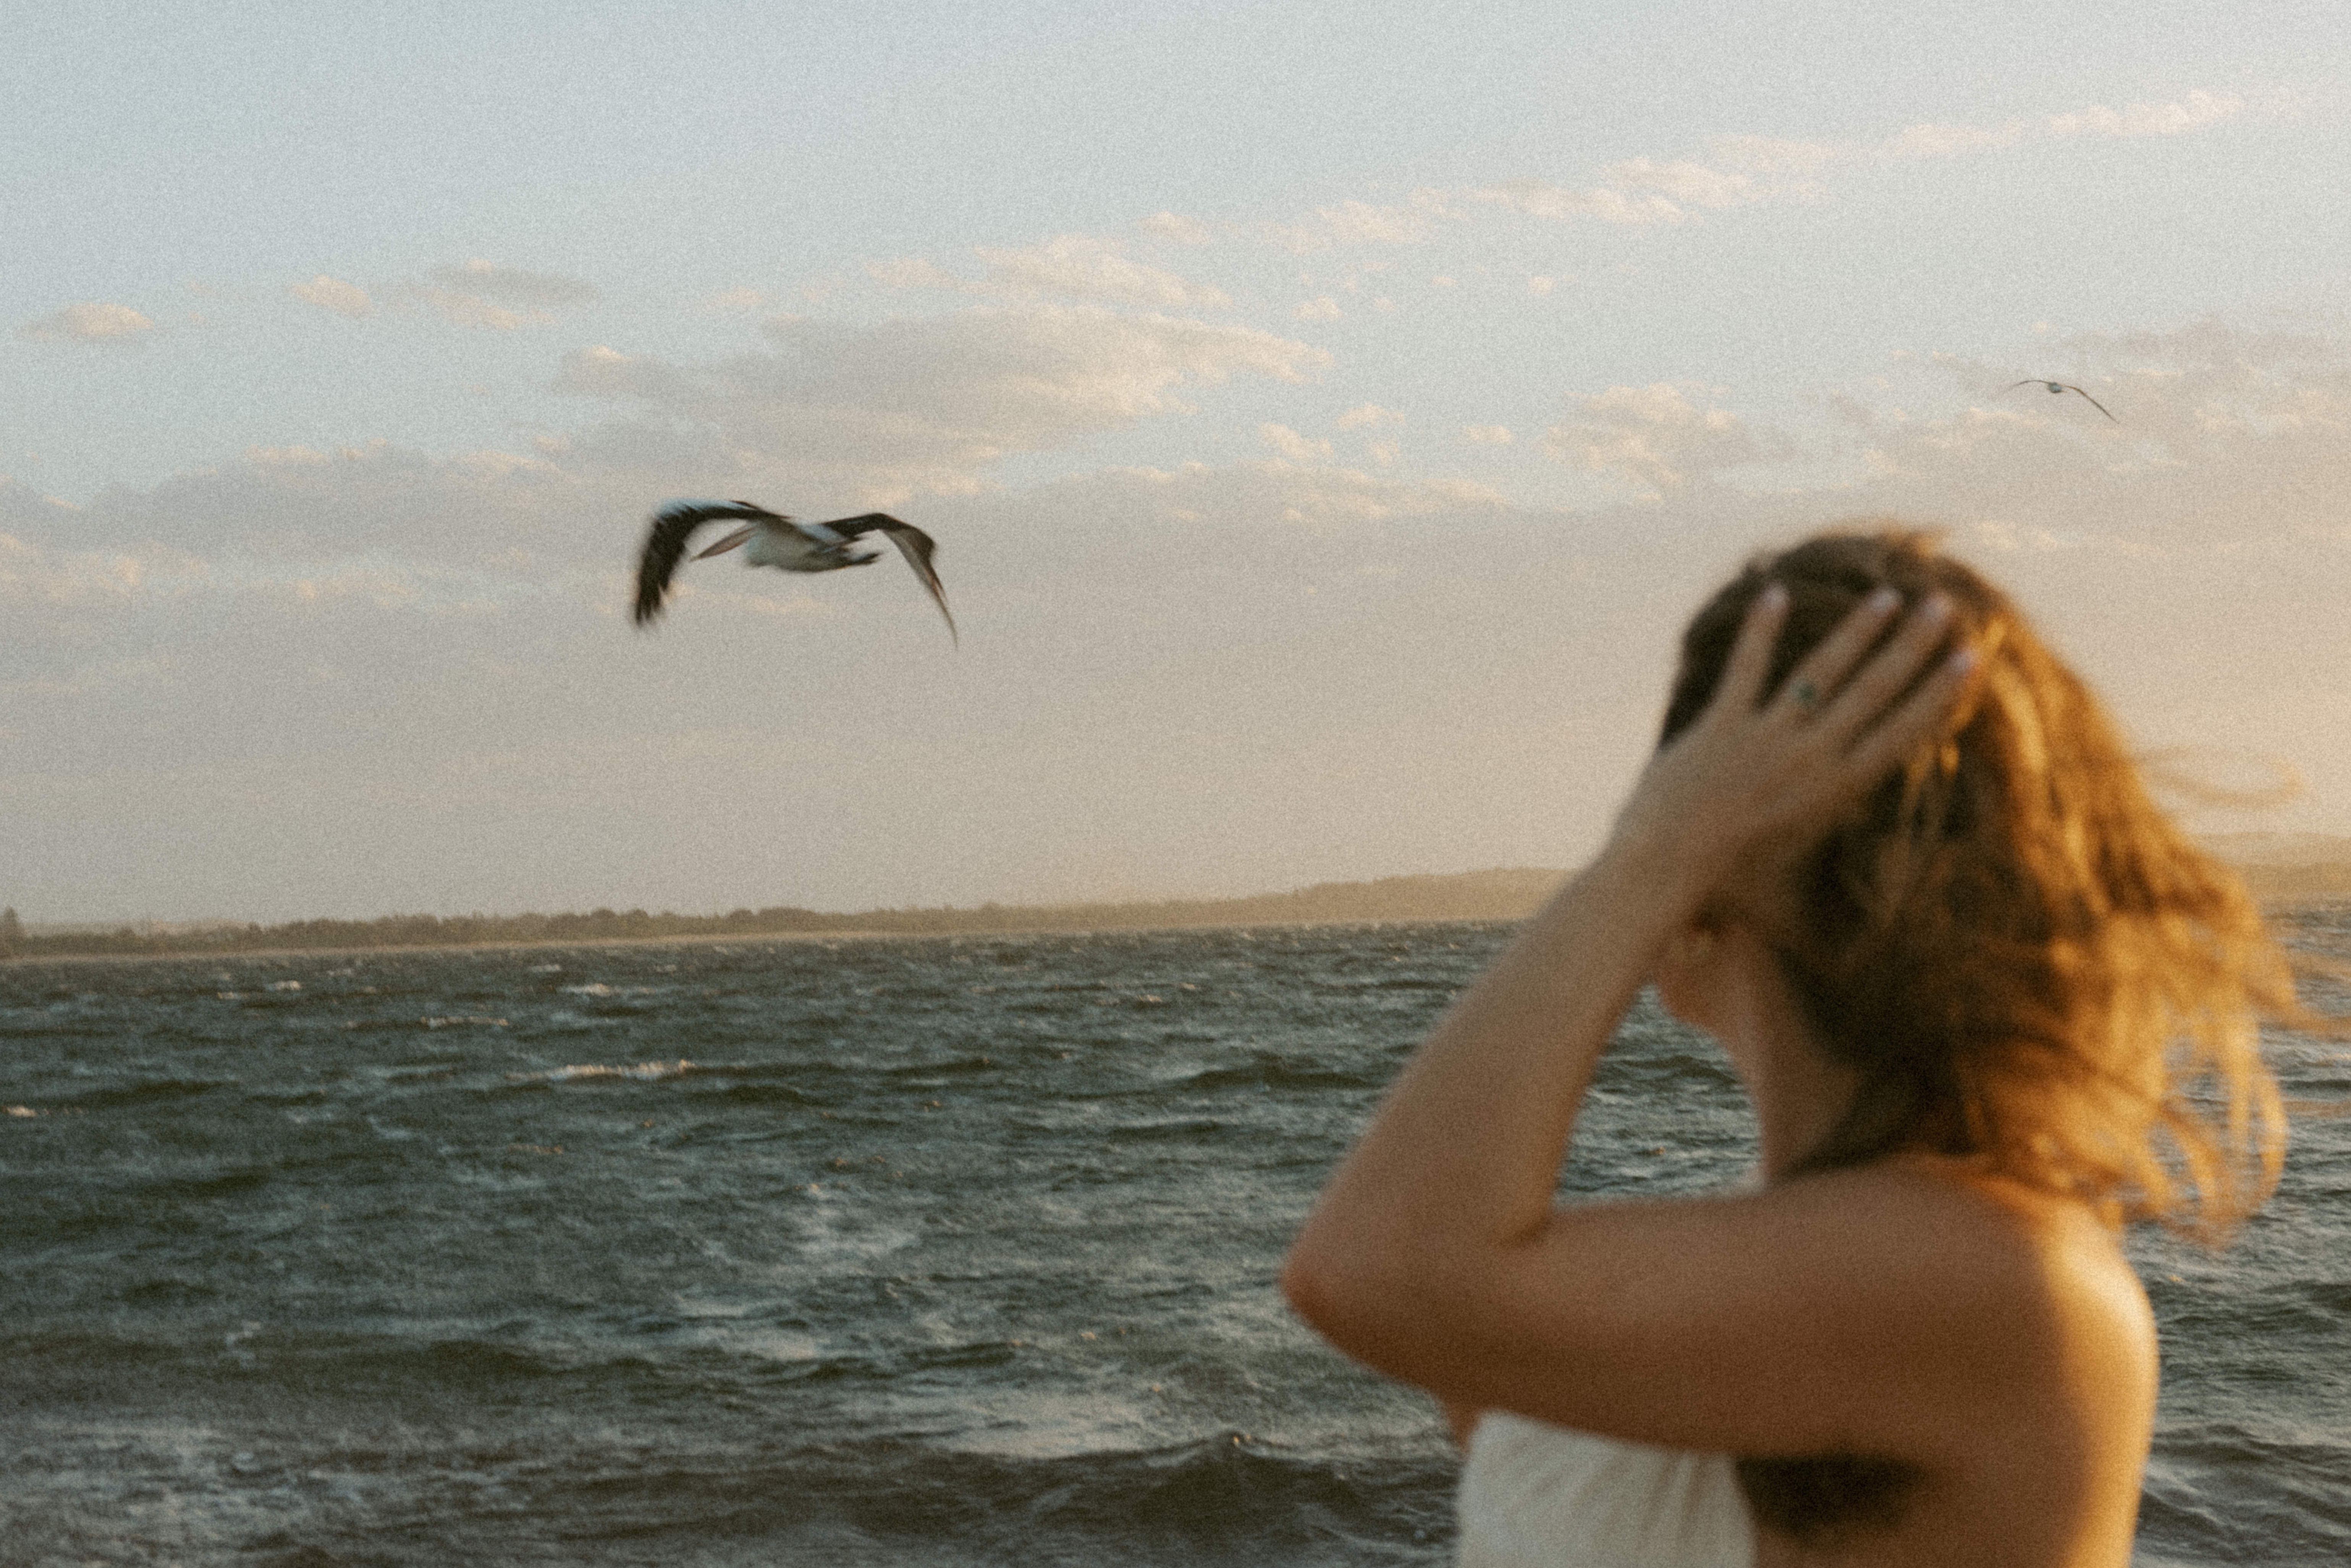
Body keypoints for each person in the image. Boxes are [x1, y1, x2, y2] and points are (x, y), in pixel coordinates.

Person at [1282, 527, 2295, 1566]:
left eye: (1697, 772)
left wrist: (1651, 856)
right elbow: (1420, 1288)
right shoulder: (1723, 1274)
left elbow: (1369, 1269)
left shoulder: (1996, 1278)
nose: (1657, 802)